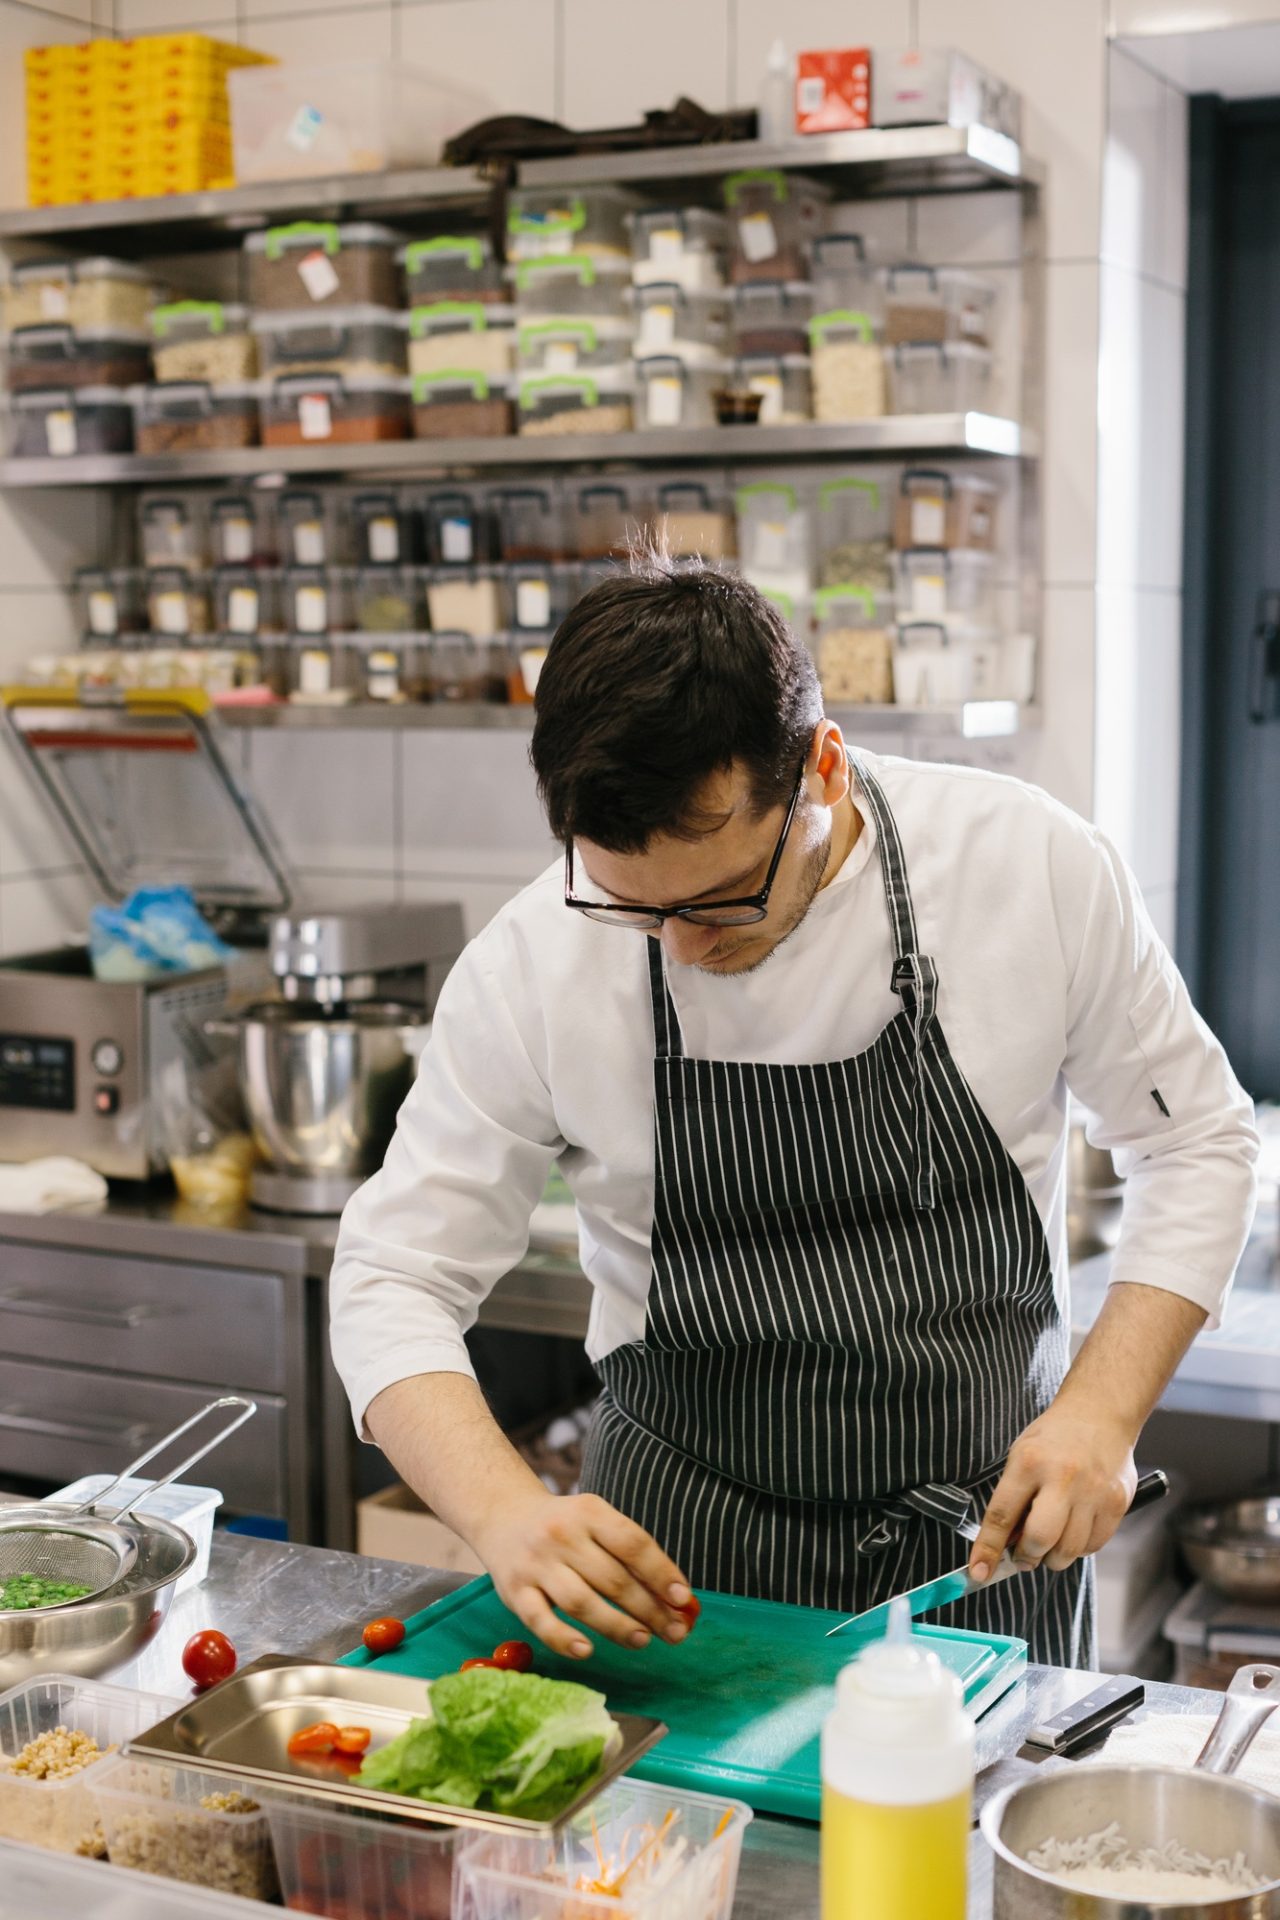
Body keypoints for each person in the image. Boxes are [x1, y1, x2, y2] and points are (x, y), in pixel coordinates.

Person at [330, 558, 1257, 1668]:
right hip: (677, 1569)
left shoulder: (1027, 865)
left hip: (977, 1551)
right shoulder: (531, 963)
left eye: (721, 898)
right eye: (631, 906)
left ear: (819, 770)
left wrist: (1101, 1414)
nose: (680, 943)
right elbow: (393, 1275)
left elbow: (1193, 1139)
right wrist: (501, 1511)